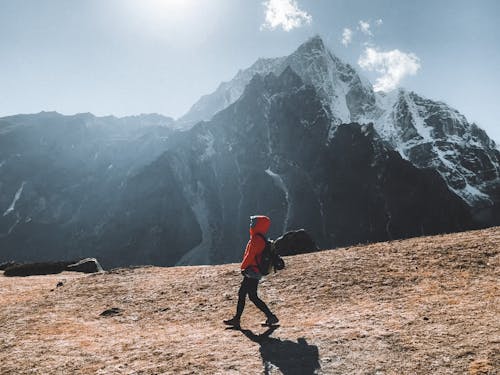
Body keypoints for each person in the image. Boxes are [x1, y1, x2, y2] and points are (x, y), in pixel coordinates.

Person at [224, 215, 279, 328]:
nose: (251, 225)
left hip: (252, 271)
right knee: (244, 294)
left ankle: (270, 316)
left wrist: (243, 267)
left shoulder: (256, 239)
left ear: (258, 225)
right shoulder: (260, 237)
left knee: (251, 296)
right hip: (254, 270)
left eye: (253, 223)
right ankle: (237, 319)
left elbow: (250, 255)